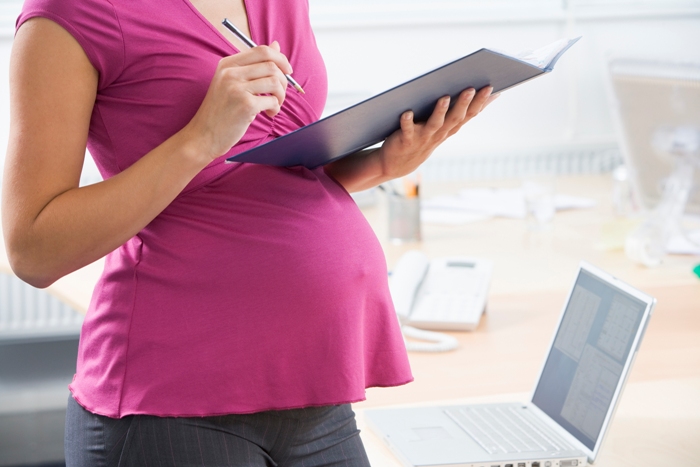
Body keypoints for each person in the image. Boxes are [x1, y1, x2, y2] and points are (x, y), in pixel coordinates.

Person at [2, 0, 498, 465]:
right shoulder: (70, 14)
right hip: (173, 403)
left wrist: (381, 164)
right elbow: (33, 250)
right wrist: (201, 138)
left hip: (315, 390)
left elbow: (257, 179)